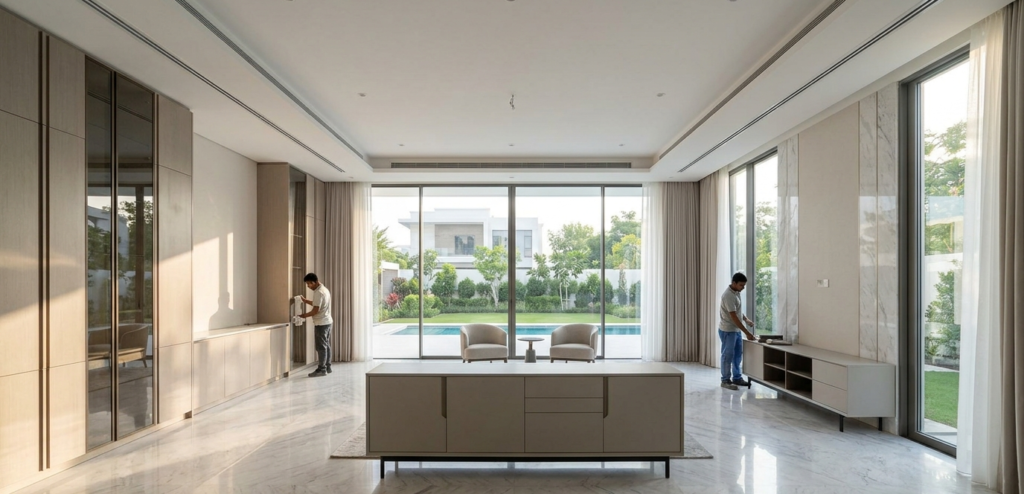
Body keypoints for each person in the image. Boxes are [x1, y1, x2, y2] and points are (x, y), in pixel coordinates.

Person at [720, 272, 756, 390]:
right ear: (733, 283)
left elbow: (738, 311)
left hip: (736, 330)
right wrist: (747, 333)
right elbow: (733, 316)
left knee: (737, 355)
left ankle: (737, 378)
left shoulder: (736, 292)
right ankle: (725, 381)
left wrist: (746, 319)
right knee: (727, 356)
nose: (743, 288)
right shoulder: (728, 296)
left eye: (744, 285)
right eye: (741, 285)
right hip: (728, 330)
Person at [298, 273, 333, 377]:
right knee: (326, 345)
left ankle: (322, 369)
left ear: (316, 282)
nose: (308, 286)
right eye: (307, 284)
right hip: (327, 321)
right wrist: (305, 301)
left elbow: (315, 310)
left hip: (321, 323)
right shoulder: (324, 290)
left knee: (321, 347)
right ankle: (328, 366)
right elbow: (318, 304)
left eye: (309, 284)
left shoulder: (318, 292)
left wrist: (303, 315)